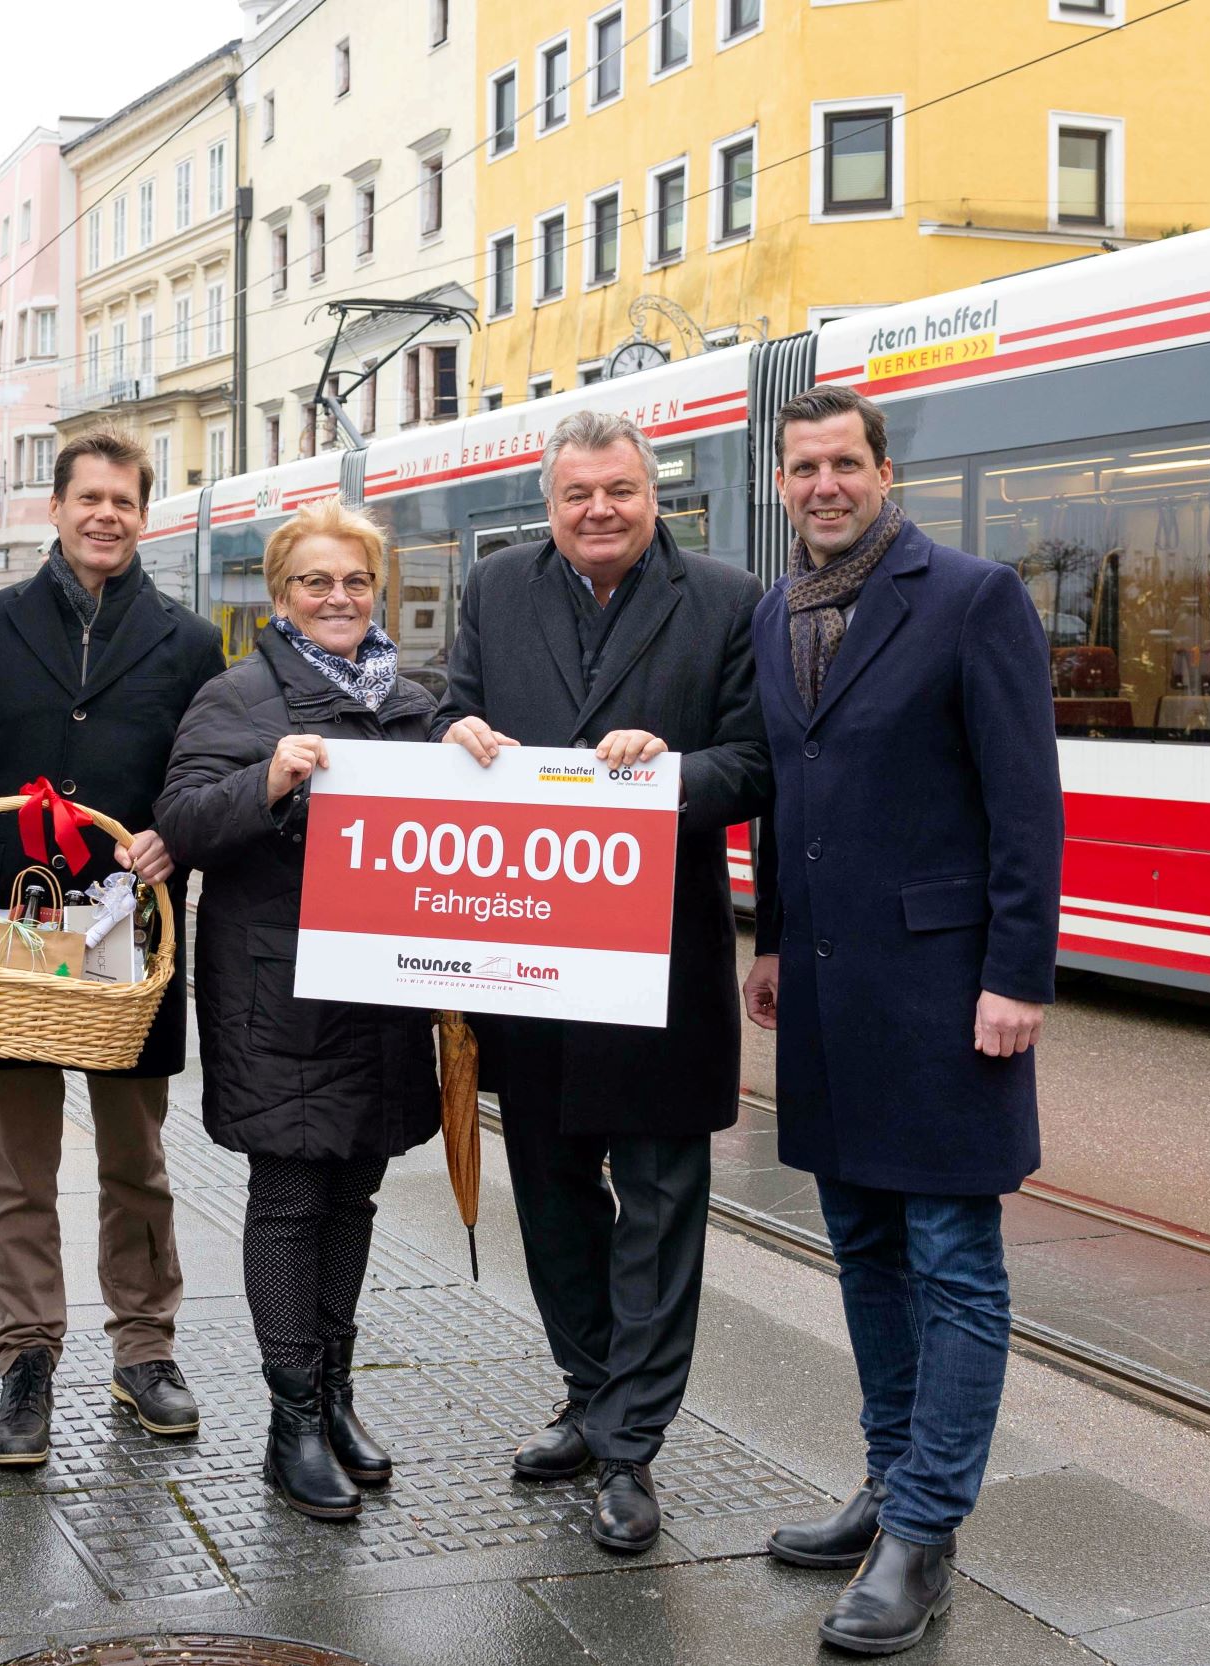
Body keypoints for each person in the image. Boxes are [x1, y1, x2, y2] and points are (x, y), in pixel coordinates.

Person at [743, 384, 1061, 1655]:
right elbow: (785, 786)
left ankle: (925, 1531)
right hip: (828, 989)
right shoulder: (777, 611)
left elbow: (1024, 801)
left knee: (952, 1263)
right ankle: (886, 1483)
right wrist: (767, 938)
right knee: (864, 1250)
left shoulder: (971, 596)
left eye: (843, 464)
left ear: (883, 471)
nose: (823, 484)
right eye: (802, 467)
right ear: (780, 483)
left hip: (944, 990)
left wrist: (1018, 975)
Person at [434, 409, 770, 1554]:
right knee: (554, 1195)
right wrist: (457, 730)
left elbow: (755, 761)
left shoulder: (725, 599)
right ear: (548, 500)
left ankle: (632, 1446)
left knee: (663, 1209)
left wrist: (670, 770)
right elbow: (443, 708)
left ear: (652, 492)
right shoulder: (495, 589)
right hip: (527, 957)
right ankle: (587, 1391)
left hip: (660, 965)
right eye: (576, 494)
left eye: (618, 490)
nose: (597, 511)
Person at [0, 429, 227, 1466]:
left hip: (129, 935)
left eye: (125, 502)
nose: (106, 516)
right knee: (15, 1163)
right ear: (54, 509)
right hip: (11, 931)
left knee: (136, 1159)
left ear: (144, 516)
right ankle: (26, 1354)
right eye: (89, 498)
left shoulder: (189, 642)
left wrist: (176, 835)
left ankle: (143, 1347)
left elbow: (203, 778)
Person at [156, 501, 441, 1521]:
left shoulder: (410, 701)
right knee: (288, 1202)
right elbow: (182, 821)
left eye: (354, 581)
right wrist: (265, 780)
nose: (337, 598)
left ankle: (333, 1395)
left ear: (377, 591)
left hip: (379, 996)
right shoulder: (238, 698)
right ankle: (290, 1426)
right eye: (315, 582)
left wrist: (478, 745)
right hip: (279, 993)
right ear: (279, 597)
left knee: (353, 1200)